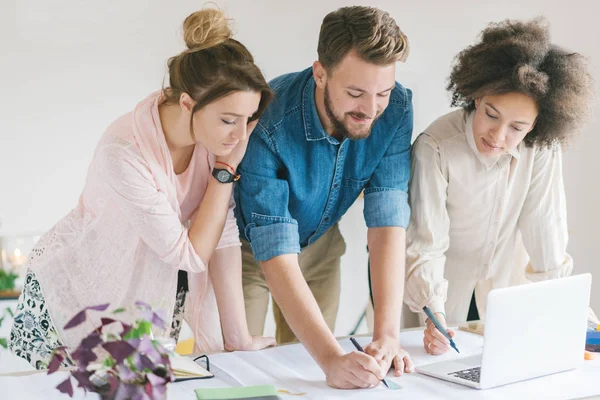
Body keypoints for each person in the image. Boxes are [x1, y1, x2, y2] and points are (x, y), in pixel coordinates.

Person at [9, 8, 275, 370]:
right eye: (229, 120)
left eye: (249, 120)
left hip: (141, 308)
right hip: (70, 302)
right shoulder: (124, 152)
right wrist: (225, 170)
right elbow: (191, 254)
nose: (241, 137)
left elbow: (221, 233)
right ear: (187, 103)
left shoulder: (213, 140)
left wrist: (237, 337)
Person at [235, 6, 414, 389]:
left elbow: (388, 217)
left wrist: (387, 334)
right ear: (320, 74)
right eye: (355, 93)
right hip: (246, 252)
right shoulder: (267, 119)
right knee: (238, 372)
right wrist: (331, 357)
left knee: (308, 378)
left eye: (381, 92)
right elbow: (273, 244)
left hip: (320, 247)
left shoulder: (396, 109)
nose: (370, 109)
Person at [404, 18, 593, 355]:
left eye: (517, 127)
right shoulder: (435, 146)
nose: (498, 136)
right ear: (477, 96)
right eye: (491, 114)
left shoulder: (541, 149)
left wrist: (572, 315)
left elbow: (546, 237)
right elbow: (426, 245)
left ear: (537, 124)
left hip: (506, 296)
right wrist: (435, 314)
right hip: (440, 298)